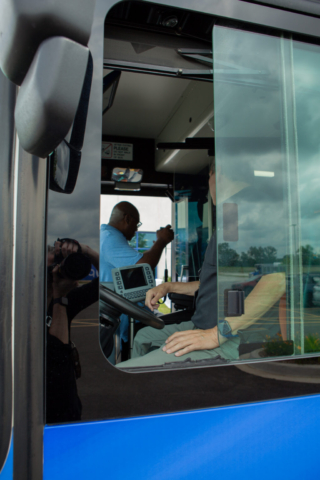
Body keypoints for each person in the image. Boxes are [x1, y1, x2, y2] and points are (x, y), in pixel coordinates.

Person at [118, 164, 286, 368]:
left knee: (125, 371)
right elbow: (219, 281)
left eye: (209, 176)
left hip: (230, 337)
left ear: (216, 174)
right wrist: (168, 287)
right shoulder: (230, 215)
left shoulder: (250, 212)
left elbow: (276, 280)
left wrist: (216, 334)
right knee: (143, 337)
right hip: (204, 325)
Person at [100, 201, 174, 348]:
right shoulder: (110, 238)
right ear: (127, 219)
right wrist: (161, 241)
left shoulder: (109, 236)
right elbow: (142, 265)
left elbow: (136, 259)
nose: (135, 230)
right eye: (136, 224)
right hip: (124, 317)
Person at [46, 239, 99, 423]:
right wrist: (59, 297)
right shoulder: (19, 305)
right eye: (51, 254)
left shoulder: (68, 299)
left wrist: (85, 250)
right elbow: (56, 358)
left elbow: (110, 280)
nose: (56, 260)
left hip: (67, 410)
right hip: (39, 412)